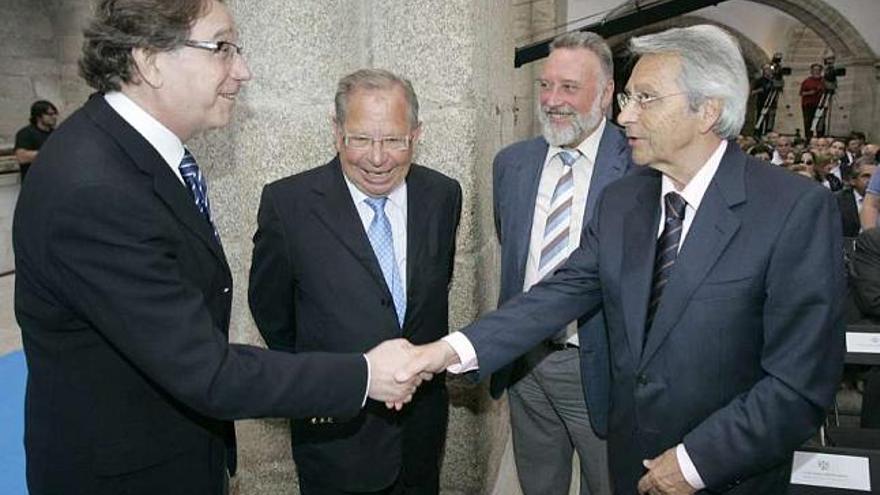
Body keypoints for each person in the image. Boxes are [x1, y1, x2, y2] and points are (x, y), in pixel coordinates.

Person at [399, 25, 845, 495]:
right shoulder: (622, 201)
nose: (624, 114)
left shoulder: (793, 210)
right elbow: (556, 293)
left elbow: (799, 384)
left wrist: (694, 463)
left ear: (707, 110)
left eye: (645, 98)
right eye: (627, 97)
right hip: (629, 461)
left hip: (726, 474)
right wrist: (445, 351)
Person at [13, 2, 420, 494]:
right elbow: (206, 369)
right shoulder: (95, 187)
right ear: (149, 60)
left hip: (177, 449)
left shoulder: (140, 154)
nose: (242, 71)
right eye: (222, 48)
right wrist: (363, 374)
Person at [248, 68, 461, 495]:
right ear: (337, 132)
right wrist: (331, 379)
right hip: (336, 438)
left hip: (421, 437)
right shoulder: (288, 205)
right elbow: (273, 314)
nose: (377, 158)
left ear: (416, 135)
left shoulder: (443, 195)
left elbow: (433, 295)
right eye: (361, 139)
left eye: (394, 140)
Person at [489, 31, 631, 495]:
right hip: (525, 368)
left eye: (569, 87)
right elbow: (512, 251)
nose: (552, 100)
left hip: (603, 370)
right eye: (546, 86)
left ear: (607, 93)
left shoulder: (641, 168)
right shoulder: (511, 164)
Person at [13, 100, 57, 182]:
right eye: (50, 114)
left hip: (53, 181)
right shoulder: (26, 133)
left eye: (55, 114)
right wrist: (52, 153)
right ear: (38, 116)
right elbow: (21, 157)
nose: (54, 117)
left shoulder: (56, 133)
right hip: (34, 183)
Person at [836, 157, 876, 237]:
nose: (872, 180)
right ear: (852, 180)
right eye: (866, 176)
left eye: (876, 177)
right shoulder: (837, 201)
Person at [800, 63, 824, 140]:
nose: (816, 71)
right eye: (815, 70)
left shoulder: (823, 81)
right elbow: (801, 93)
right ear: (811, 71)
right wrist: (810, 92)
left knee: (820, 123)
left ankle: (820, 138)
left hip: (821, 105)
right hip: (808, 105)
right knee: (808, 122)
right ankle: (808, 138)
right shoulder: (807, 81)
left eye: (818, 70)